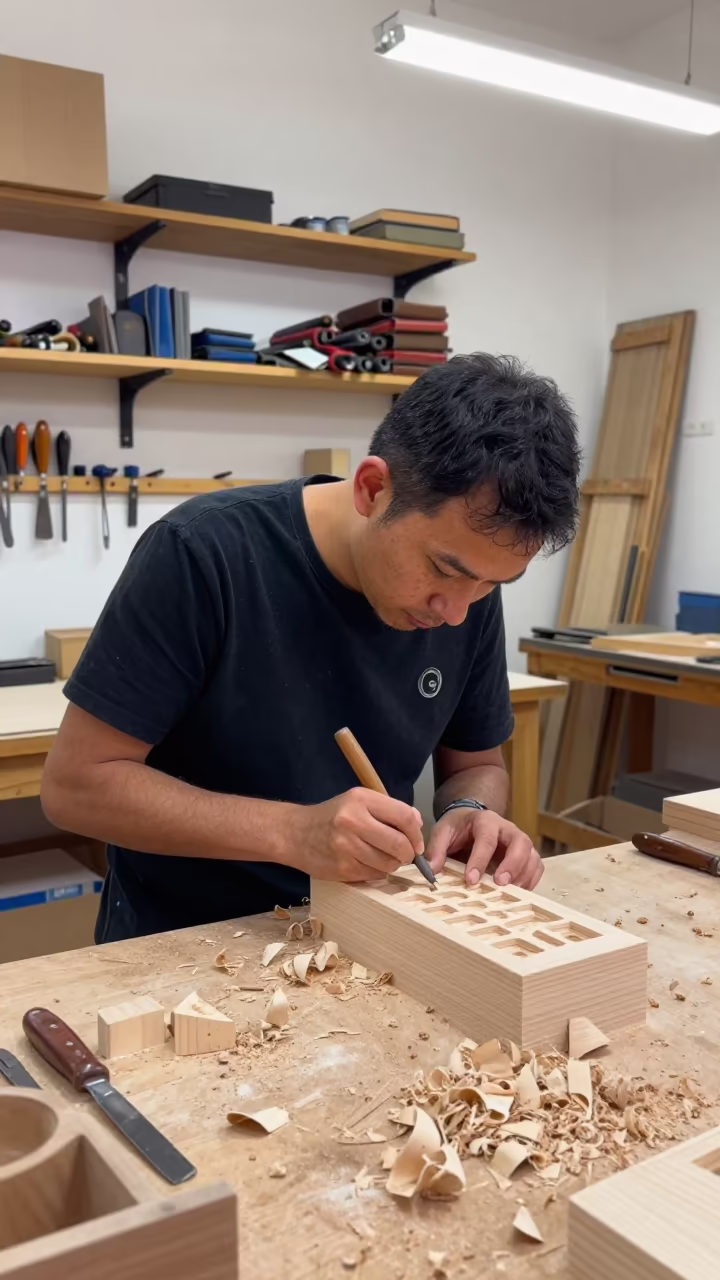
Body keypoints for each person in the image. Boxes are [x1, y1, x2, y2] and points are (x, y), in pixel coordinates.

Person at [41, 353, 580, 942]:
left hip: (362, 933)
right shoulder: (203, 553)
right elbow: (76, 788)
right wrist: (292, 833)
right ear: (373, 489)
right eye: (442, 570)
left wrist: (472, 814)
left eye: (490, 585)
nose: (456, 611)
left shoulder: (468, 589)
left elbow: (476, 764)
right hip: (190, 942)